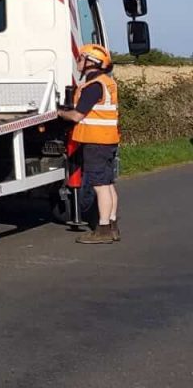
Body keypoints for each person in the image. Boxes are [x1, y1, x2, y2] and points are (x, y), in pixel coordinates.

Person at [58, 44, 121, 244]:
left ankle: (103, 229)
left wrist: (59, 113)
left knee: (100, 186)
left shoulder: (93, 86)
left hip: (95, 141)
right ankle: (112, 226)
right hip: (107, 140)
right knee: (108, 184)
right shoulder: (106, 82)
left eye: (80, 58)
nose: (78, 61)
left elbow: (77, 116)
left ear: (90, 62)